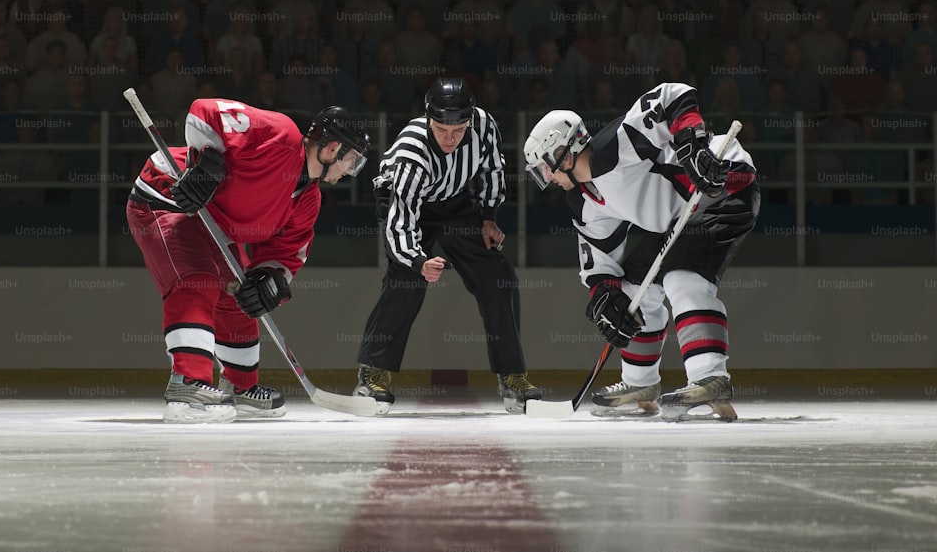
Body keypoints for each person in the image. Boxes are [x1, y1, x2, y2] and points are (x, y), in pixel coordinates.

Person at [523, 83, 760, 421]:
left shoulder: (613, 147)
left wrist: (691, 145)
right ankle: (640, 383)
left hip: (725, 187)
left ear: (563, 152)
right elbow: (600, 268)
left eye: (545, 167)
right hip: (680, 215)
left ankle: (711, 377)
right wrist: (607, 298)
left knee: (683, 277)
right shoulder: (583, 201)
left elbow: (672, 95)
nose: (546, 177)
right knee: (633, 289)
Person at [126, 100, 371, 423]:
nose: (349, 172)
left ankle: (240, 386)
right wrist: (206, 165)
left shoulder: (308, 199)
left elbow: (286, 254)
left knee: (238, 292)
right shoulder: (280, 135)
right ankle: (188, 383)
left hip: (214, 222)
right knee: (196, 280)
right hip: (167, 197)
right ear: (332, 149)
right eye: (351, 161)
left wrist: (269, 280)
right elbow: (204, 112)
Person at [353, 78, 542, 413]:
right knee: (404, 284)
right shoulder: (413, 153)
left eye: (459, 130)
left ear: (470, 120)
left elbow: (494, 169)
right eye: (441, 130)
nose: (450, 139)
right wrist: (416, 262)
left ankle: (513, 376)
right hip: (412, 207)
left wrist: (488, 216)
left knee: (500, 279)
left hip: (457, 204)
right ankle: (372, 375)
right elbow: (401, 222)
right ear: (428, 120)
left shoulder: (483, 125)